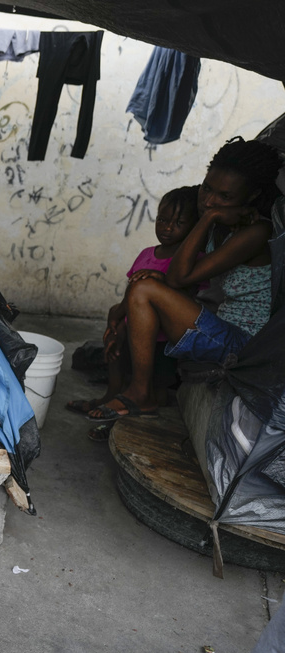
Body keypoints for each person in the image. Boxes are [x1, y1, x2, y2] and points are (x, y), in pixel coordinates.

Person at [88, 138, 283, 421]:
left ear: (252, 196)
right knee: (143, 288)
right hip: (222, 327)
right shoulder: (225, 222)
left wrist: (208, 218)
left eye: (223, 198)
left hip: (245, 344)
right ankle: (142, 391)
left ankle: (140, 393)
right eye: (206, 188)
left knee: (145, 290)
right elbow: (181, 274)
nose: (208, 201)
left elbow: (179, 277)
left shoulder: (255, 233)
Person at [65, 186, 199, 434]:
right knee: (115, 351)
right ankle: (109, 398)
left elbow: (188, 299)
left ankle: (120, 421)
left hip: (162, 342)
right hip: (132, 330)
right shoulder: (148, 253)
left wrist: (161, 279)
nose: (167, 228)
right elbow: (131, 294)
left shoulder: (190, 260)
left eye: (178, 222)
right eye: (162, 220)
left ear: (194, 226)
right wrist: (116, 325)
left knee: (157, 394)